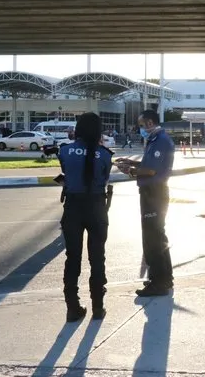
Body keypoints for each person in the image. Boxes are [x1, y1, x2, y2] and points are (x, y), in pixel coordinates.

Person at [58, 112, 113, 322]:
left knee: (72, 258)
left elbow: (66, 172)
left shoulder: (65, 151)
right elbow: (104, 177)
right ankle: (98, 307)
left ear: (78, 129)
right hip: (97, 207)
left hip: (73, 207)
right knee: (97, 258)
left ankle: (73, 308)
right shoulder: (106, 154)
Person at [116, 110, 175, 296]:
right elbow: (148, 164)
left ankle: (158, 282)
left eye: (141, 125)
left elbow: (151, 171)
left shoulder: (161, 141)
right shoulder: (154, 139)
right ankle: (165, 278)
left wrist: (130, 171)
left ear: (150, 123)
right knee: (158, 236)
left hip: (154, 193)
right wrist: (131, 163)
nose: (140, 129)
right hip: (152, 193)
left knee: (152, 240)